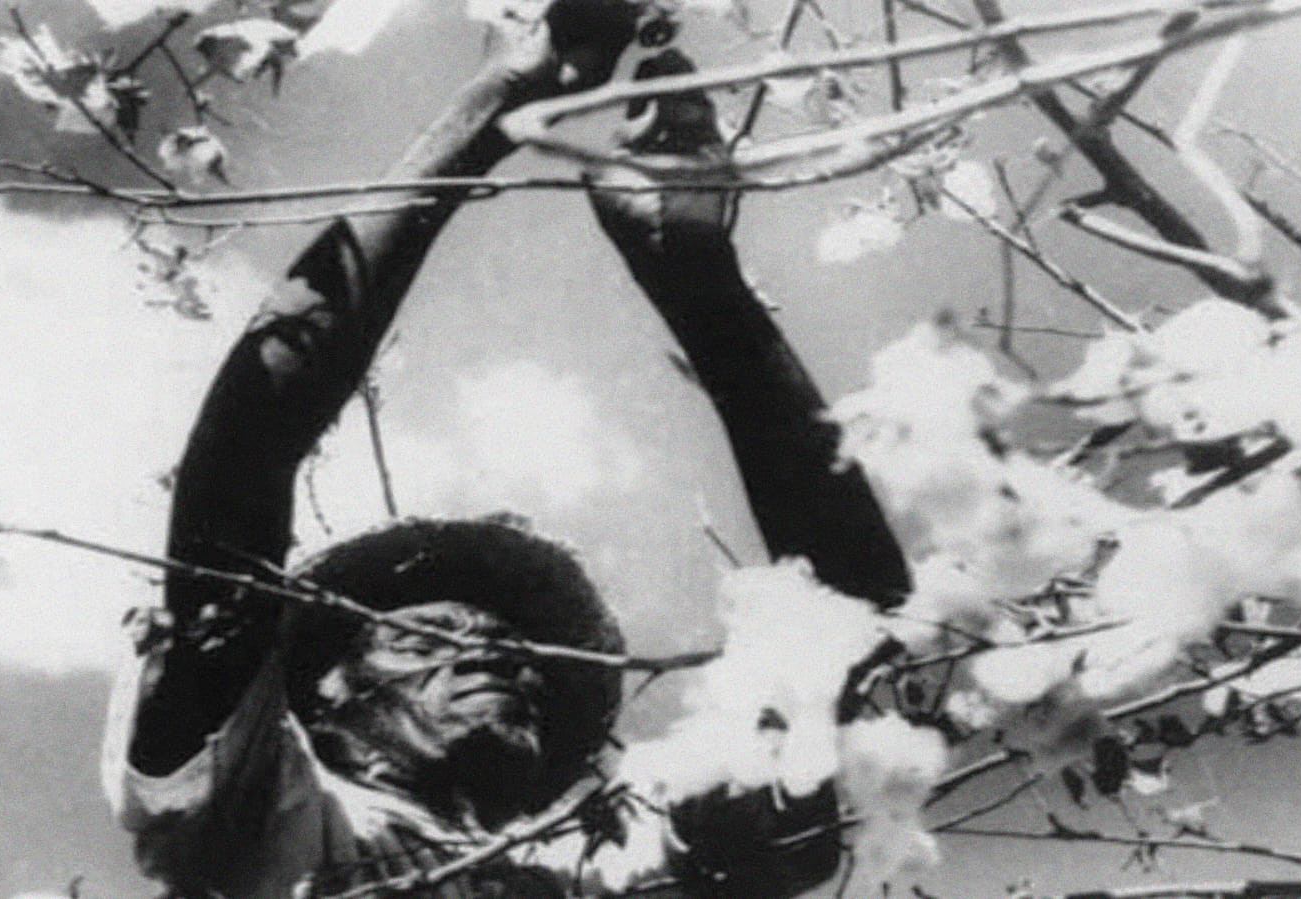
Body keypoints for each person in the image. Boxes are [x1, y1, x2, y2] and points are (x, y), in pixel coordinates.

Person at [101, 3, 910, 896]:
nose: (496, 653)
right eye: (427, 634)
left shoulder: (606, 876)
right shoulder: (267, 815)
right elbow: (240, 467)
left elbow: (854, 626)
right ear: (322, 691)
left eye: (514, 647)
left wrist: (696, 277)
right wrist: (495, 104)